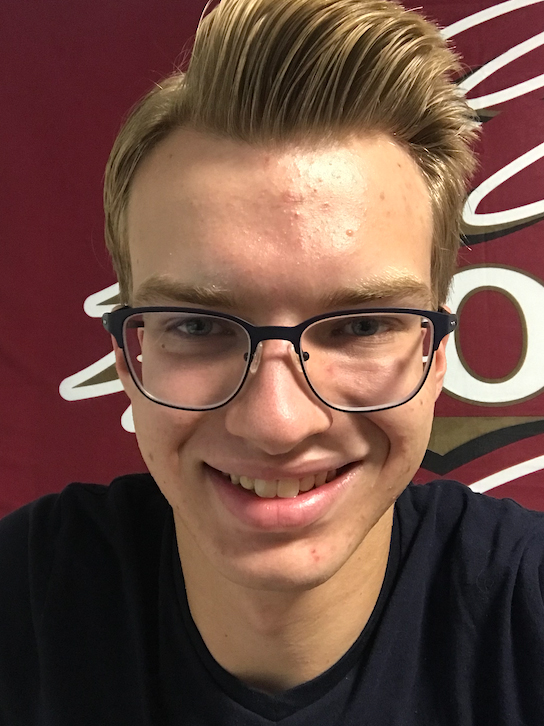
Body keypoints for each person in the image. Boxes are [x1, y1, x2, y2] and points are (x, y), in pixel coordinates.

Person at [1, 0, 543, 723]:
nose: (277, 424)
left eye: (361, 326)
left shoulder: (524, 605)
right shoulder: (24, 600)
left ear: (435, 354)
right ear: (131, 360)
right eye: (197, 325)